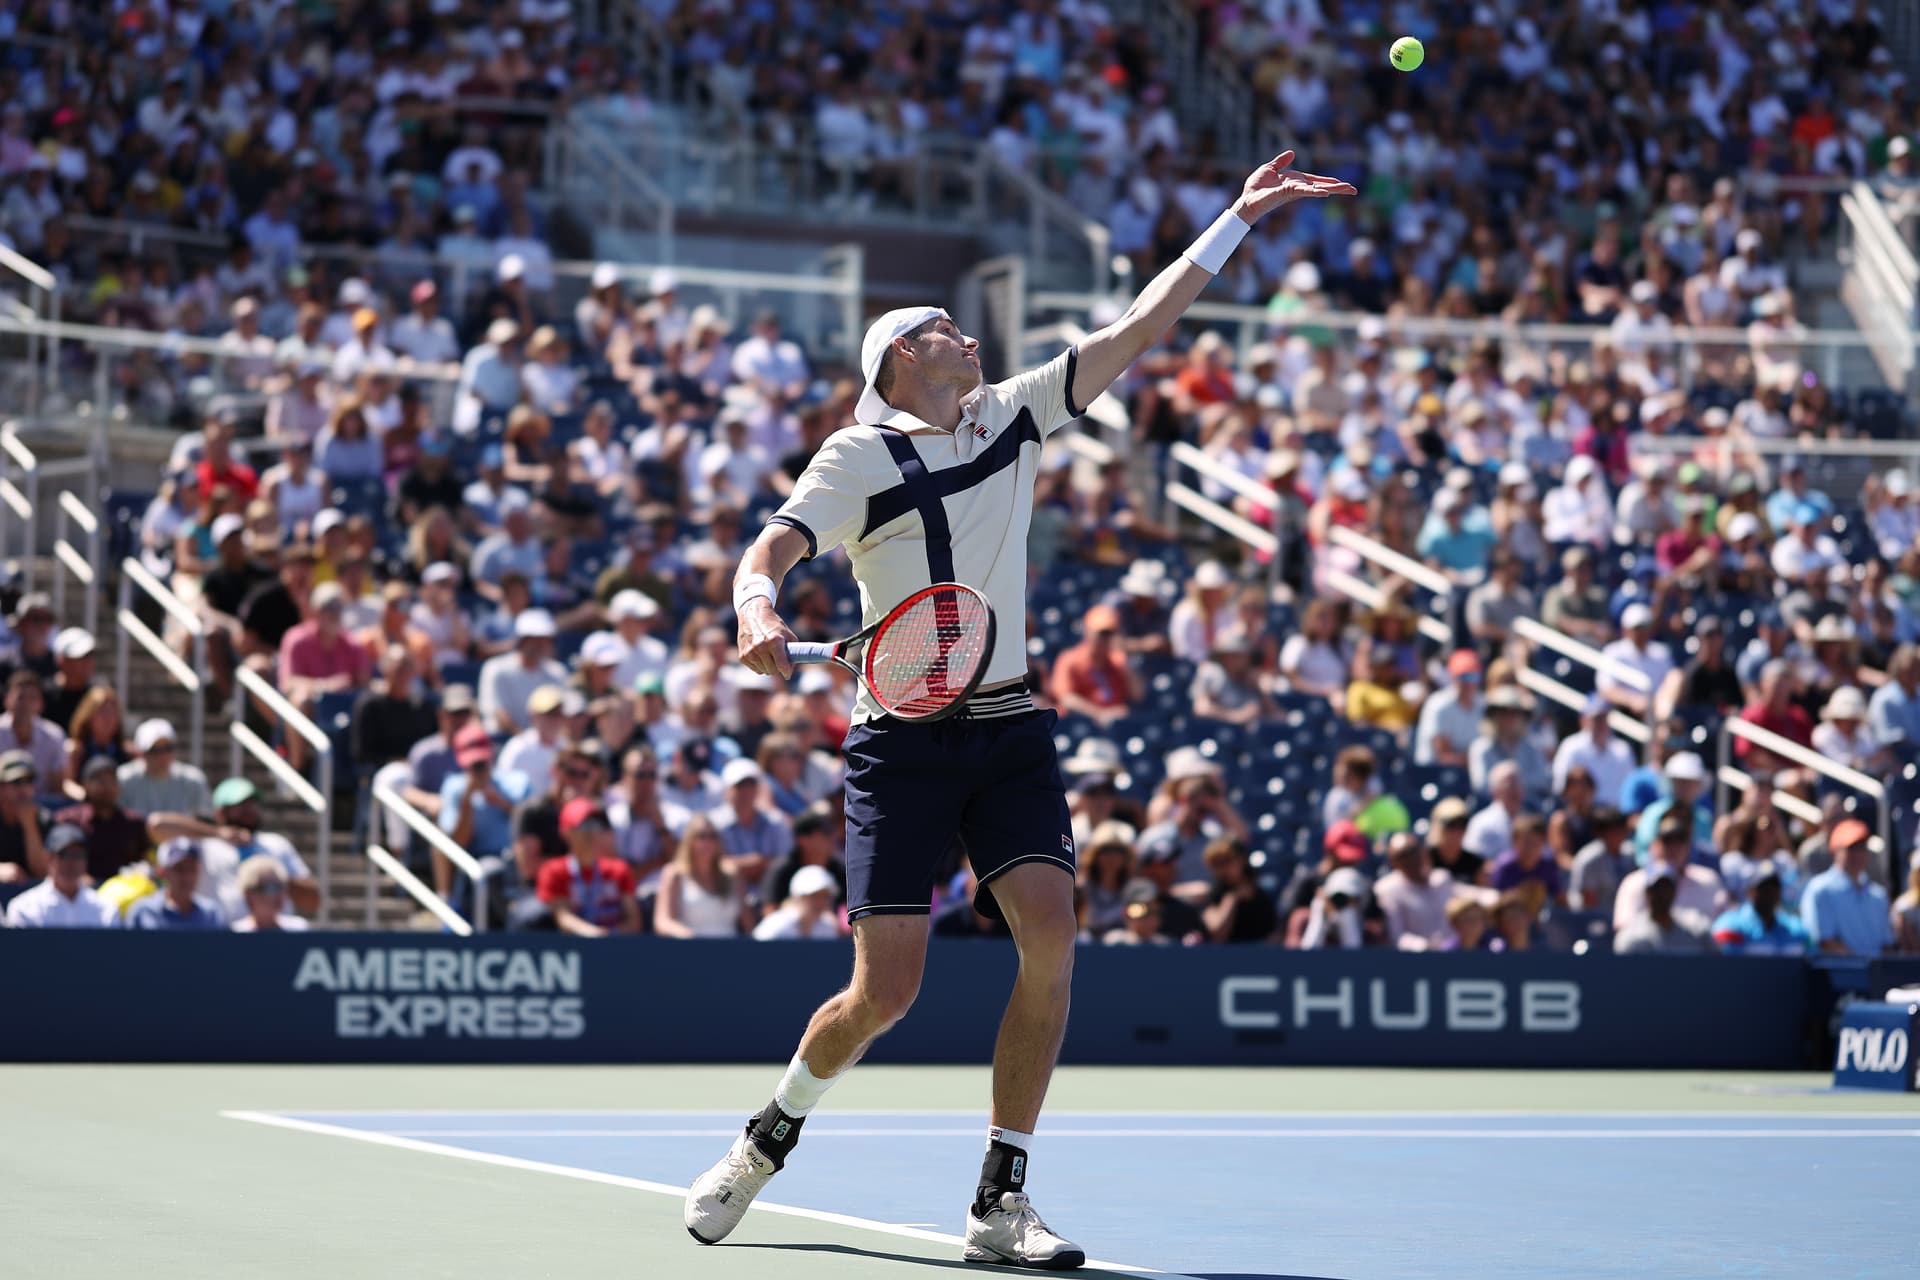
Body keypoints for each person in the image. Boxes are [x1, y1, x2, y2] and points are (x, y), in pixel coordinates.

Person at [689, 148, 1355, 1266]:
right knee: (884, 990)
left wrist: (1235, 221)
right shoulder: (857, 453)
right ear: (902, 355)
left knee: (1052, 937)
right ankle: (766, 1136)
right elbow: (775, 543)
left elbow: (1138, 330)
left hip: (1007, 726)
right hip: (897, 743)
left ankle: (1001, 1195)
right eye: (944, 323)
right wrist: (757, 602)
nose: (967, 331)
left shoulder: (1011, 413)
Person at [534, 798, 642, 937]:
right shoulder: (554, 871)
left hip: (617, 948)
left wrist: (610, 936)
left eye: (596, 825)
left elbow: (633, 919)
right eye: (585, 825)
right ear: (566, 832)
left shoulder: (619, 870)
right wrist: (593, 935)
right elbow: (562, 916)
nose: (592, 832)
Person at [1800, 819, 1895, 956]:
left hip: (1876, 975)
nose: (1858, 854)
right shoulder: (1820, 890)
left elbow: (1887, 945)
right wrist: (1862, 966)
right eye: (1852, 848)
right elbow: (1825, 942)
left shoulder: (1878, 895)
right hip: (1836, 975)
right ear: (1835, 851)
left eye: (1862, 847)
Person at [5, 823, 117, 927]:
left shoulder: (106, 909)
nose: (72, 863)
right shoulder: (24, 908)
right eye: (65, 855)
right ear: (48, 858)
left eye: (79, 855)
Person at [1373, 832, 1458, 950]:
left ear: (1424, 851)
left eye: (1414, 851)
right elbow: (1397, 936)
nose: (1412, 859)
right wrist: (1427, 947)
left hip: (1456, 954)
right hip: (1413, 961)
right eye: (1403, 855)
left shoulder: (1442, 878)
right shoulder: (1386, 889)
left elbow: (1474, 896)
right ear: (1393, 862)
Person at [1710, 863, 1811, 955]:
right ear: (1750, 891)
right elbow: (1727, 967)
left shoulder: (1795, 927)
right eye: (1764, 889)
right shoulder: (1730, 924)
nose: (1770, 894)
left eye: (1775, 888)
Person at [123, 838, 225, 929]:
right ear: (163, 872)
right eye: (179, 869)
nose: (186, 876)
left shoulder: (211, 914)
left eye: (191, 869)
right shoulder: (143, 911)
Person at [117, 719, 211, 817]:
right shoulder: (123, 779)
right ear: (141, 752)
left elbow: (205, 819)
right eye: (155, 750)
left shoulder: (193, 780)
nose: (163, 756)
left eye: (168, 748)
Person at [1614, 864, 1715, 954]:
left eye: (1666, 888)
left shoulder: (1696, 927)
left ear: (1674, 892)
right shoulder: (1631, 936)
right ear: (1647, 893)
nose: (1662, 895)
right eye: (1656, 889)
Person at [1568, 807, 1634, 915]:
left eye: (1621, 829)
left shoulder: (1630, 853)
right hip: (1593, 920)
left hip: (1625, 917)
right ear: (1601, 833)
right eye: (1614, 831)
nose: (1619, 834)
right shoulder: (1589, 859)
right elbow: (1588, 902)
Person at [753, 864, 843, 940]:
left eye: (825, 897)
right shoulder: (775, 925)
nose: (821, 902)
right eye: (814, 896)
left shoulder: (828, 928)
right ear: (798, 897)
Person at [230, 856, 310, 932]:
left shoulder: (299, 928)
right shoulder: (235, 932)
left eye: (281, 887)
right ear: (249, 894)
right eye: (271, 888)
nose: (279, 894)